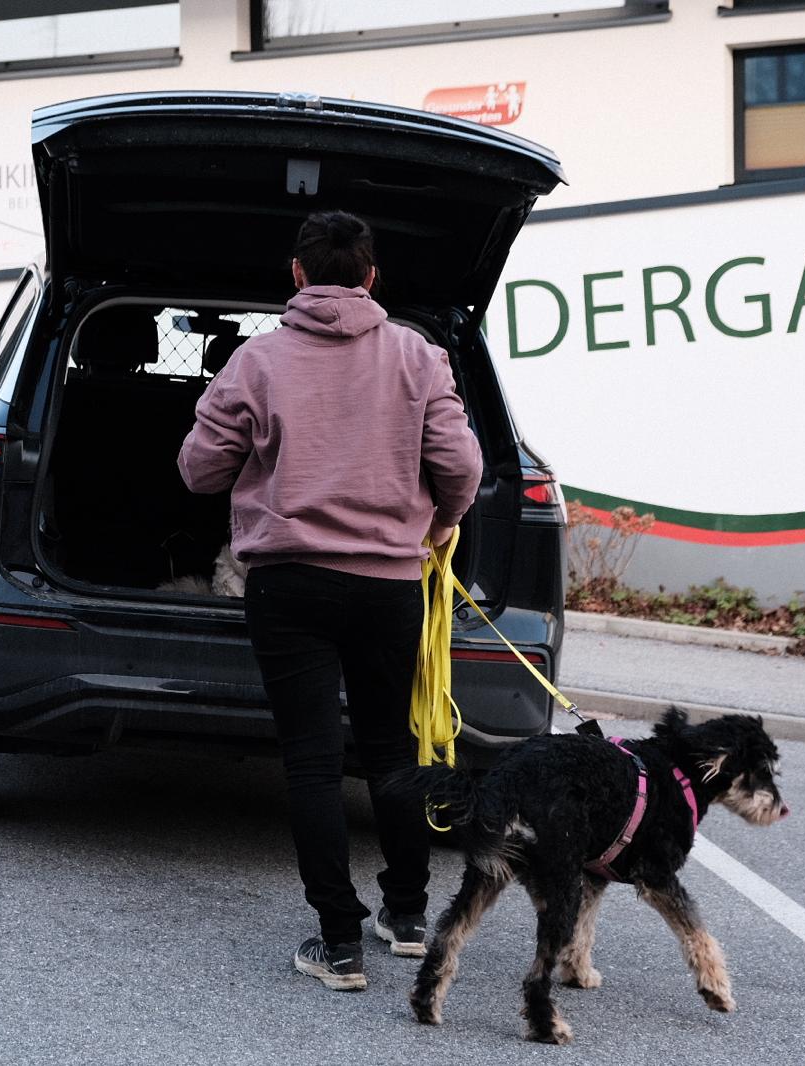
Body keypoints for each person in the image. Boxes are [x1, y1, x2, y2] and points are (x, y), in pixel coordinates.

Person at [177, 210, 482, 992]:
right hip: (390, 585)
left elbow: (198, 472)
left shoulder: (257, 362)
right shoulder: (419, 356)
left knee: (312, 762)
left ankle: (340, 945)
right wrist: (438, 524)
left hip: (290, 585)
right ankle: (407, 916)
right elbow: (462, 467)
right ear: (372, 276)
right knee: (391, 748)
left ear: (297, 273)